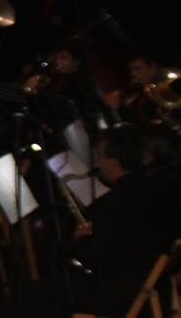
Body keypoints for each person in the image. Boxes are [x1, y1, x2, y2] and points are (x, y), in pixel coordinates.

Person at [71, 125, 177, 316]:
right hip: (157, 291)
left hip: (123, 299)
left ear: (114, 162)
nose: (98, 162)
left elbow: (96, 259)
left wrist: (79, 239)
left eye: (101, 156)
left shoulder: (110, 205)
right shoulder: (166, 190)